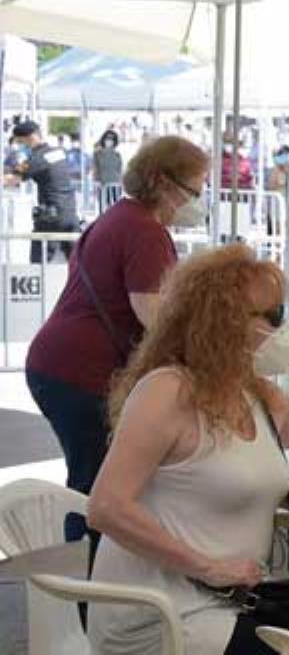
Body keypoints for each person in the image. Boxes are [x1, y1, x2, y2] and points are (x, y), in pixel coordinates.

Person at [86, 245, 289, 655]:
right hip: (161, 615)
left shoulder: (258, 396)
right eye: (274, 316)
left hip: (231, 603)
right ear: (224, 323)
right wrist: (207, 567)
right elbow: (105, 507)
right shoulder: (166, 391)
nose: (287, 329)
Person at [26, 135, 209, 543]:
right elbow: (155, 318)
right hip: (82, 370)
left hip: (58, 364)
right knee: (98, 489)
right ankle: (90, 590)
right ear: (162, 182)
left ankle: (86, 584)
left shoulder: (119, 218)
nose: (197, 201)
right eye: (193, 191)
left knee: (90, 480)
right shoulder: (145, 231)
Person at [4, 119, 78, 263]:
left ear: (30, 137)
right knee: (77, 265)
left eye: (21, 142)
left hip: (51, 218)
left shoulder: (37, 158)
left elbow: (12, 179)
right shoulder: (58, 152)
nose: (21, 146)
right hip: (69, 213)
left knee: (38, 266)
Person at [94, 129, 124, 212]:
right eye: (107, 139)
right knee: (103, 209)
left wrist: (121, 183)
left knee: (115, 208)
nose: (109, 141)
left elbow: (120, 169)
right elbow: (95, 168)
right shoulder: (98, 154)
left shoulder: (117, 155)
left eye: (112, 139)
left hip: (116, 184)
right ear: (103, 140)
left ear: (115, 142)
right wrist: (96, 181)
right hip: (103, 184)